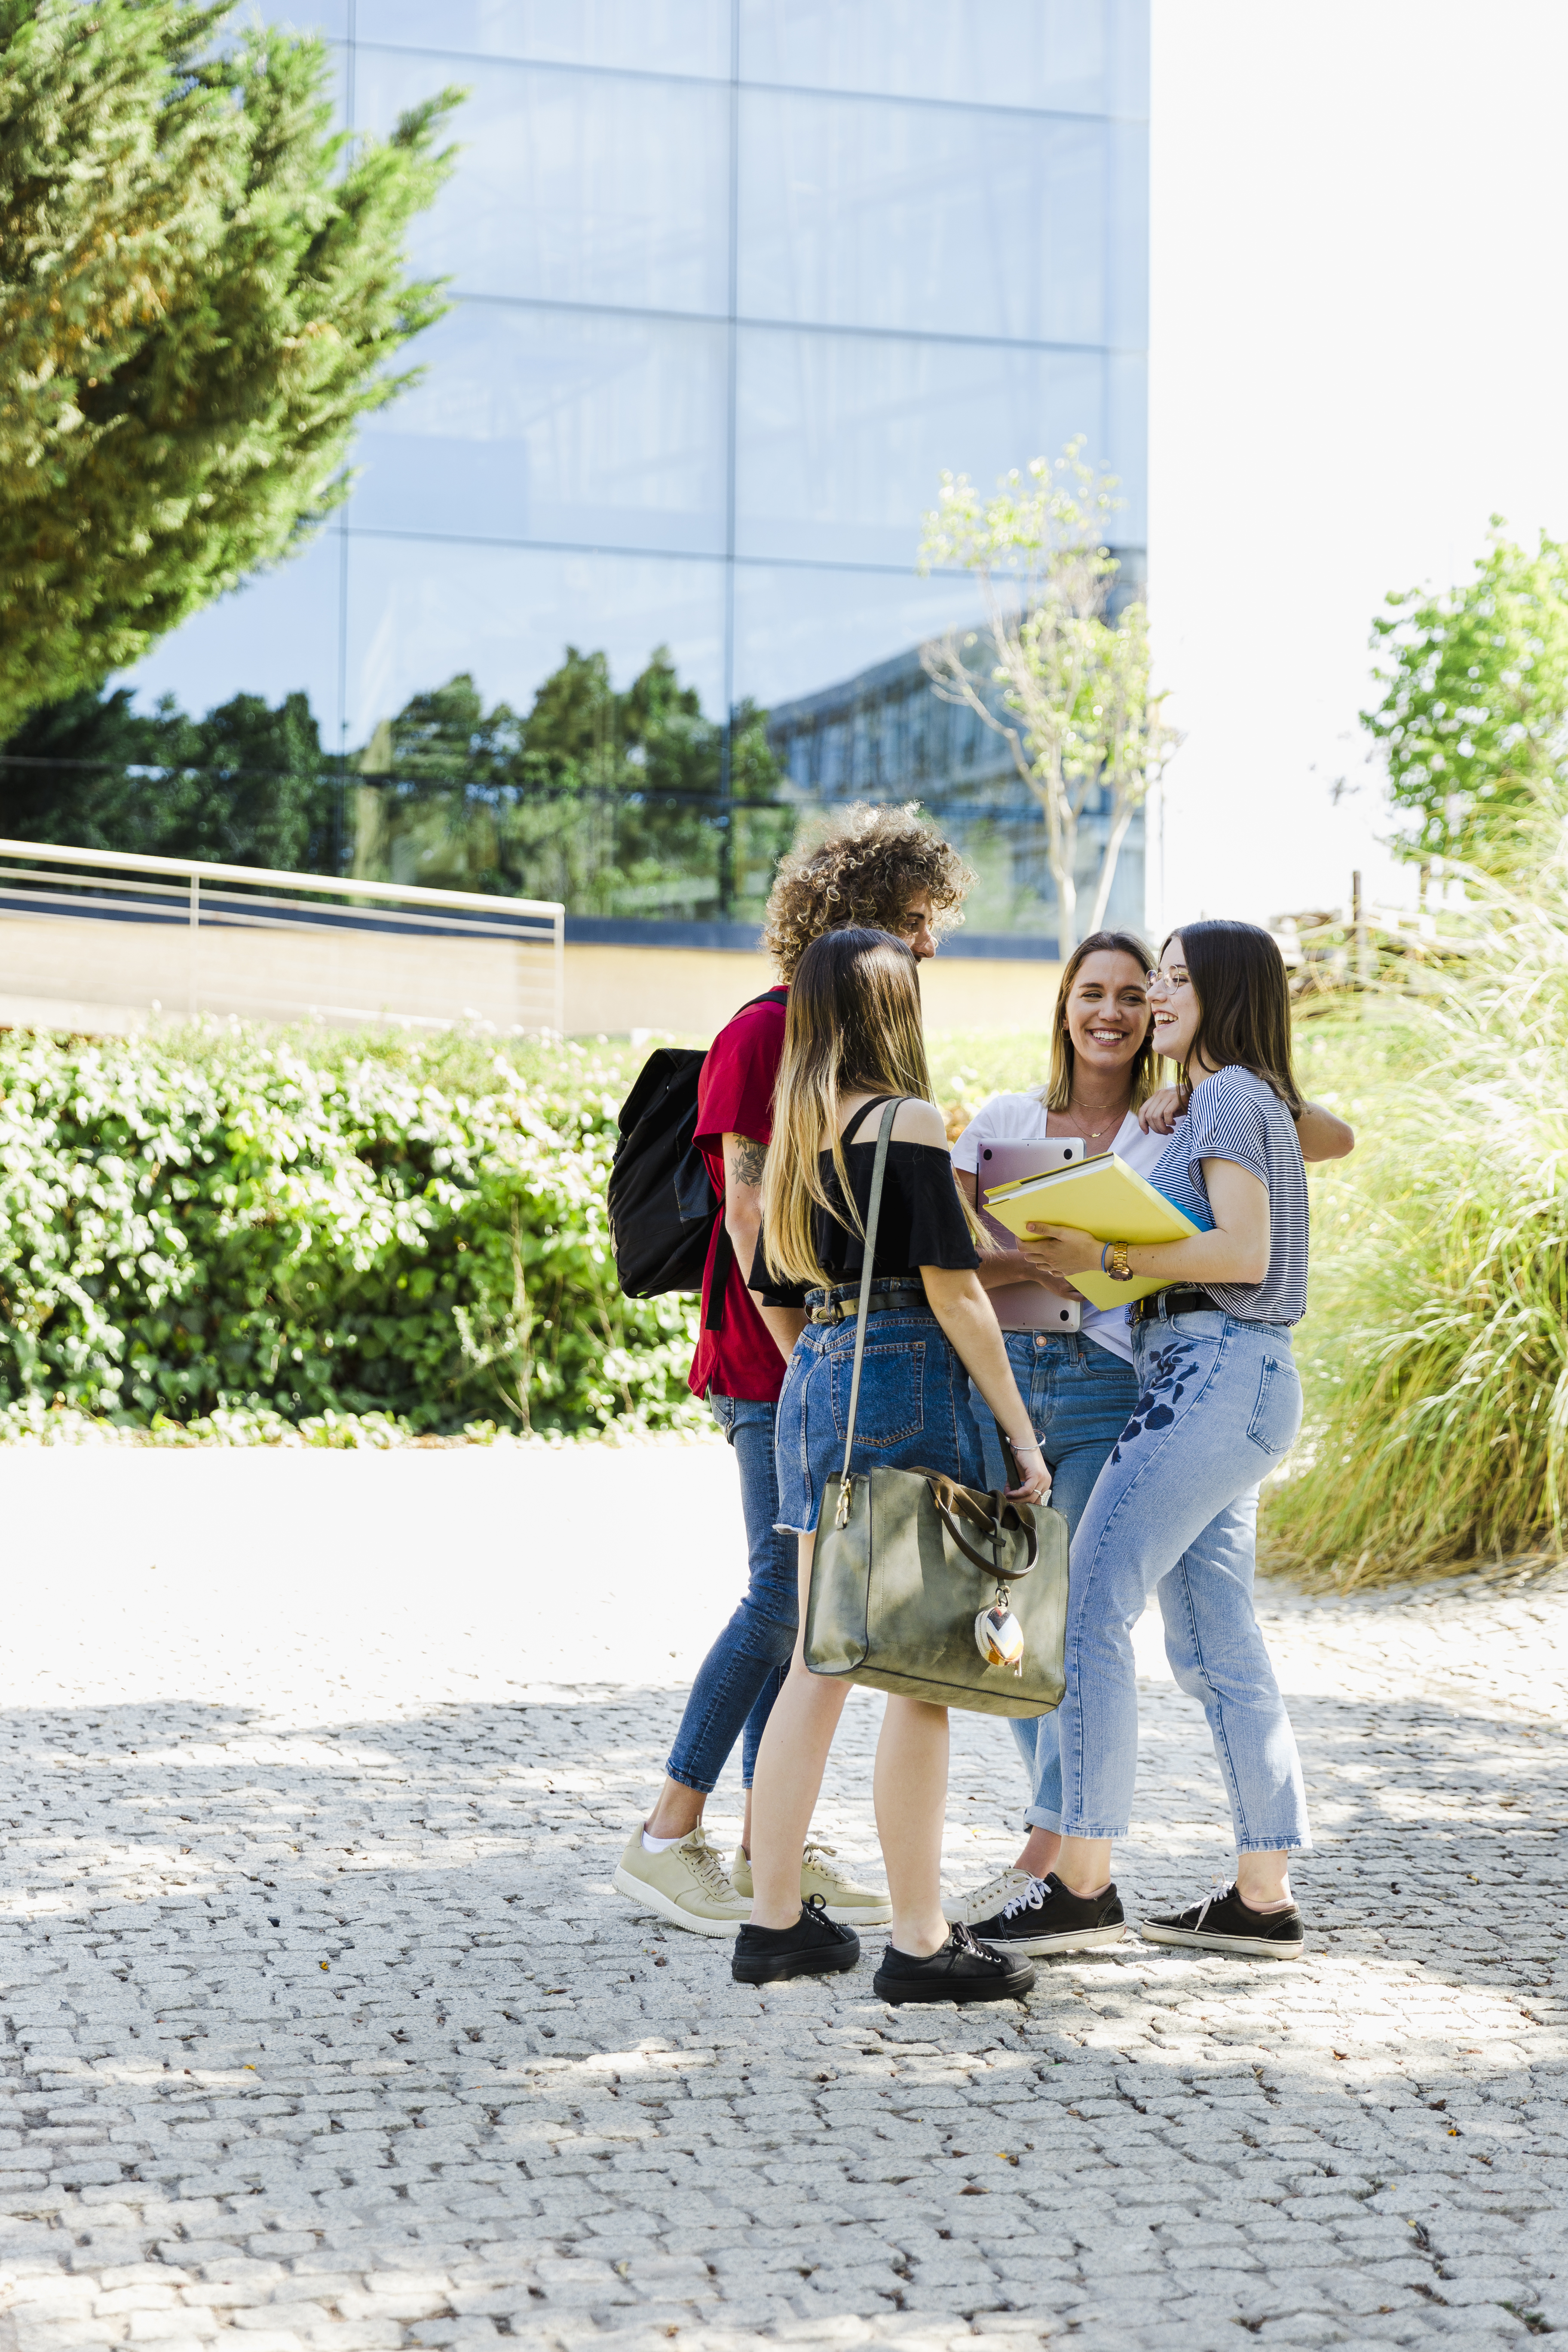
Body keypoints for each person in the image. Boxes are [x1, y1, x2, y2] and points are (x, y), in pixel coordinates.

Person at [940, 933, 1354, 1952]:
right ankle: (1262, 1896)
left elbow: (1242, 1253)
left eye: (1171, 980)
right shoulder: (1225, 1097)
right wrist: (1180, 1102)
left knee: (1087, 1605)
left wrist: (1107, 1253)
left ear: (1223, 994)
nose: (1155, 997)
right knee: (1215, 1642)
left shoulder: (1229, 1095)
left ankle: (1082, 1882)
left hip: (1210, 1373)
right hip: (1230, 1378)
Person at [612, 805, 974, 1937]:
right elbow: (747, 1211)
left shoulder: (839, 1047)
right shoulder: (765, 1033)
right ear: (858, 918)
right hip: (777, 1358)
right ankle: (666, 1835)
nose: (930, 944)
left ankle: (773, 1851)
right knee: (787, 1598)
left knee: (814, 1611)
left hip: (817, 1362)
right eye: (915, 921)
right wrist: (815, 1366)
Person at [730, 926, 1054, 2004]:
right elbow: (954, 1292)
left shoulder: (794, 1132)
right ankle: (919, 1941)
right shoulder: (904, 1119)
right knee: (920, 1671)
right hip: (906, 1371)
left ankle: (775, 1923)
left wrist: (824, 1379)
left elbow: (772, 1285)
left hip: (817, 1377)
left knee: (820, 1660)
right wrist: (1021, 1435)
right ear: (891, 1010)